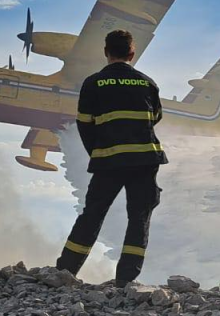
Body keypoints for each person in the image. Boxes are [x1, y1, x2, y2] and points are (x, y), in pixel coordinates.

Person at [56, 29, 166, 287]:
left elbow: (84, 124)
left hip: (109, 161)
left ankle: (65, 271)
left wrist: (99, 151)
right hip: (145, 160)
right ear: (132, 53)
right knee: (139, 217)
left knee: (92, 214)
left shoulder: (93, 83)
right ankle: (126, 281)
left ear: (106, 53)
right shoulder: (148, 83)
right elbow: (156, 118)